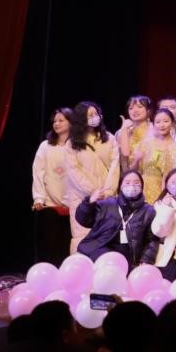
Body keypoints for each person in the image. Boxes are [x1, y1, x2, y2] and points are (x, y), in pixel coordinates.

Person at [62, 101, 120, 253]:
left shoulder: (109, 138)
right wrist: (94, 191)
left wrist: (108, 191)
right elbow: (74, 171)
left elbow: (115, 166)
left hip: (107, 198)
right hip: (82, 198)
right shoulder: (71, 144)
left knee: (107, 236)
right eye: (90, 115)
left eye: (96, 114)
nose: (94, 117)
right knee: (82, 237)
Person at [75, 169, 157, 264]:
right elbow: (83, 220)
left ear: (142, 186)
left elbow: (153, 239)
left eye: (136, 183)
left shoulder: (148, 211)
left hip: (130, 257)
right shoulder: (108, 204)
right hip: (101, 252)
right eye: (127, 183)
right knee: (107, 260)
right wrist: (89, 202)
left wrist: (146, 260)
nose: (132, 186)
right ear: (120, 186)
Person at [31, 107, 72, 264]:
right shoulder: (45, 146)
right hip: (50, 204)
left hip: (72, 204)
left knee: (67, 245)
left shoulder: (77, 146)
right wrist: (39, 198)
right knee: (50, 245)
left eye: (61, 120)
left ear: (71, 122)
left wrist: (69, 200)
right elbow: (38, 172)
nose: (57, 123)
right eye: (55, 121)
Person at [130, 107, 176, 203]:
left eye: (166, 121)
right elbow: (133, 171)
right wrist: (136, 160)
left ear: (172, 123)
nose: (162, 125)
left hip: (166, 193)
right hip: (144, 191)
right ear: (153, 124)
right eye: (158, 122)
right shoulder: (145, 144)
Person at [115, 94, 151, 172]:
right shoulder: (121, 132)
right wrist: (124, 129)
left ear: (148, 110)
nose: (135, 110)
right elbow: (124, 155)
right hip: (128, 175)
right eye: (131, 108)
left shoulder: (154, 129)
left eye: (140, 107)